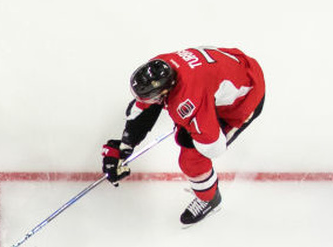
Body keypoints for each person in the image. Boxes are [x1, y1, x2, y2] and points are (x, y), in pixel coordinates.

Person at [101, 46, 265, 225]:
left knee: (191, 160)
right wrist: (125, 145)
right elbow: (144, 107)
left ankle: (209, 199)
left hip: (245, 98)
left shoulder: (187, 101)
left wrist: (187, 128)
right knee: (189, 122)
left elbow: (213, 146)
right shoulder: (162, 64)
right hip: (234, 67)